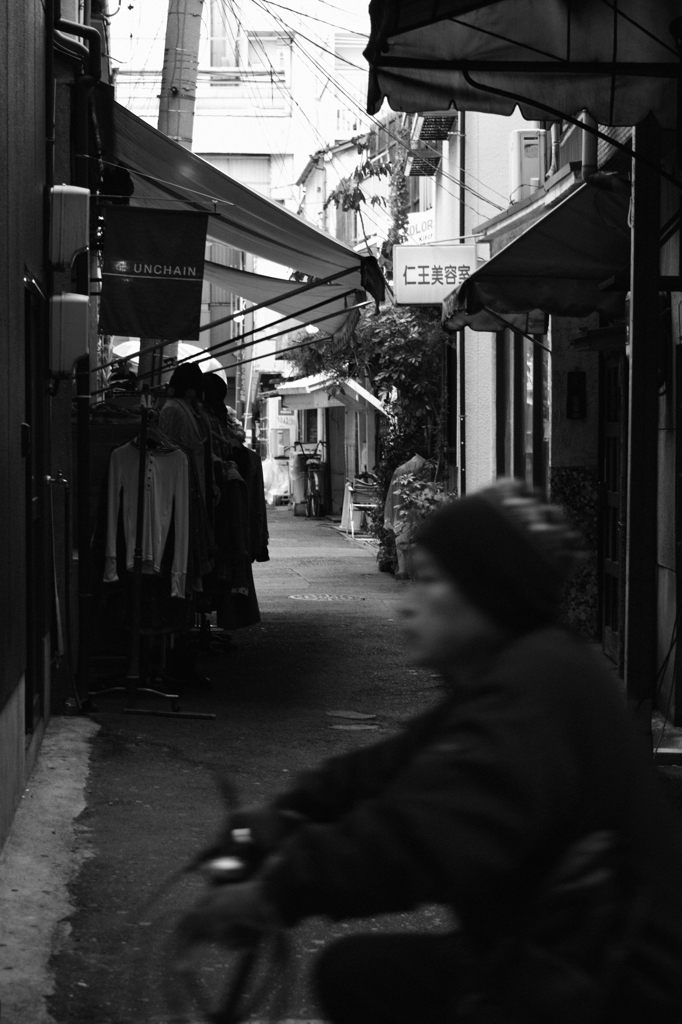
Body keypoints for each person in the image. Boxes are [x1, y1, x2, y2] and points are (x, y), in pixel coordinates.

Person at [175, 479, 682, 1024]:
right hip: (557, 950)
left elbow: (423, 834)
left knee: (363, 978)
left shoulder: (535, 689)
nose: (407, 606)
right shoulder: (515, 671)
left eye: (431, 582)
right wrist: (282, 812)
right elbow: (391, 762)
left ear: (489, 592)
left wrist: (276, 892)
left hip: (614, 985)